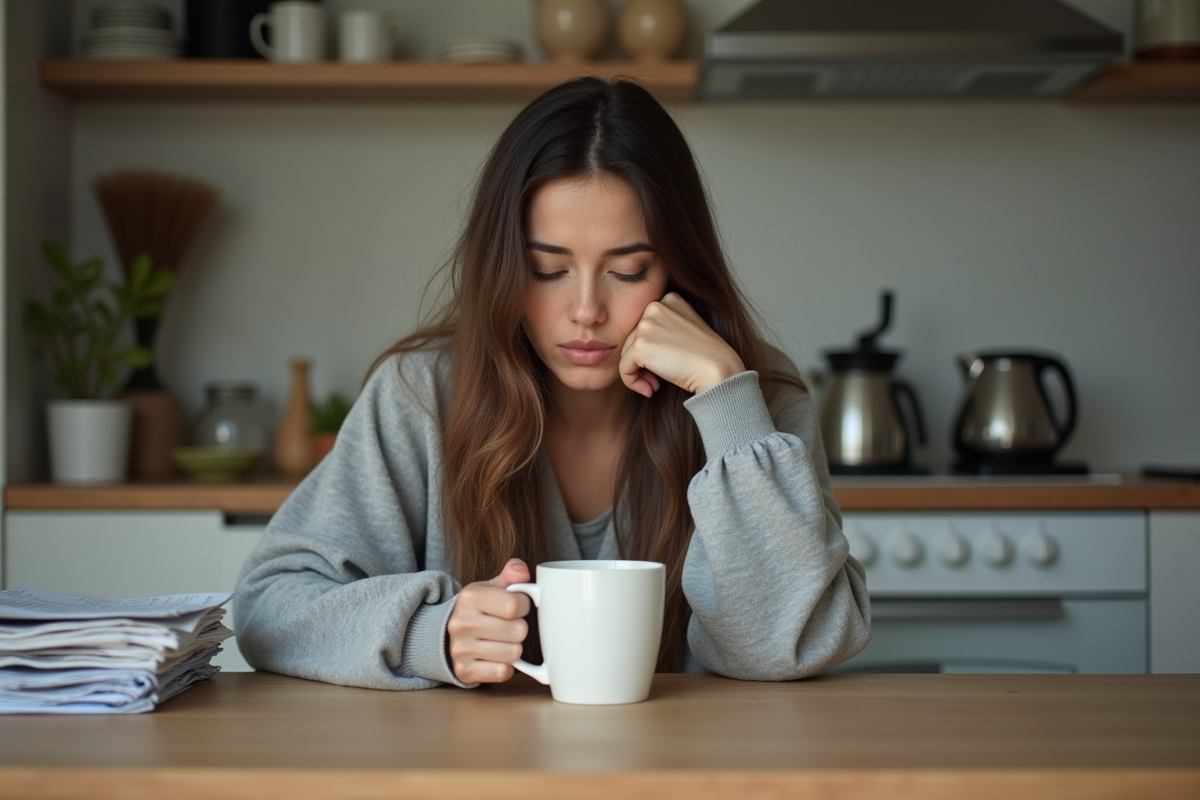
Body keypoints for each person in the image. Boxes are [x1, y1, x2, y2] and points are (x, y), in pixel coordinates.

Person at [234, 77, 871, 690]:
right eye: (547, 270)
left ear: (677, 267)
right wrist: (432, 632)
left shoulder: (756, 405)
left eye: (627, 271)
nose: (586, 310)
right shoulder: (422, 395)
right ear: (503, 268)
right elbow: (270, 609)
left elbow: (786, 647)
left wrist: (728, 403)